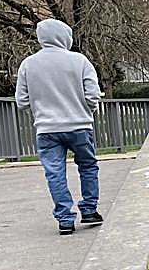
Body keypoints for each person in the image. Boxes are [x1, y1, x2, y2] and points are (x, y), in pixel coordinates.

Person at [14, 18, 104, 235]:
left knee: (55, 172)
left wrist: (40, 110)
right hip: (79, 125)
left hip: (47, 128)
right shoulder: (79, 61)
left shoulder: (28, 64)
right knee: (88, 166)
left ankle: (65, 219)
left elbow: (22, 101)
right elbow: (93, 95)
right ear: (65, 37)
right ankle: (89, 210)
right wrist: (85, 111)